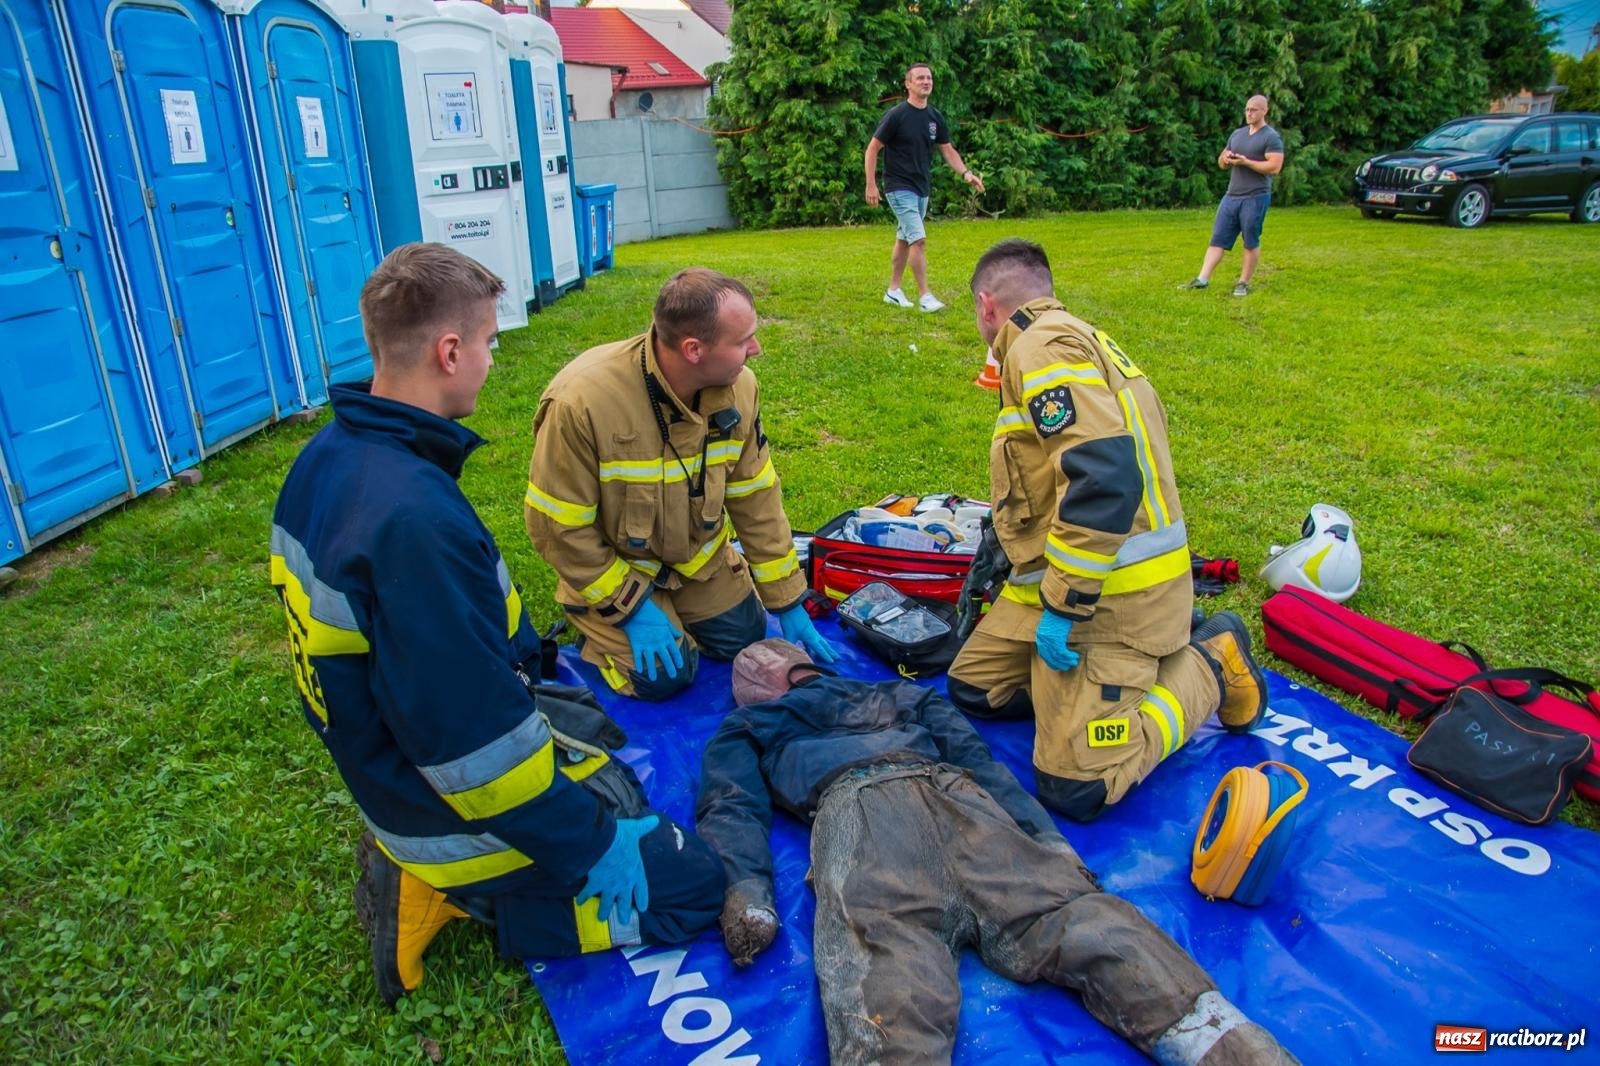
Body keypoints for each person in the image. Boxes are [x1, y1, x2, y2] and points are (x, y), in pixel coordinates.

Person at [269, 243, 723, 1006]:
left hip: (389, 757)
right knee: (691, 883)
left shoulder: (333, 454)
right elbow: (473, 753)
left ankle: (444, 860)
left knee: (611, 768)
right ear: (449, 352)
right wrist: (593, 844)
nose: (491, 359)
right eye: (488, 342)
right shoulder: (412, 520)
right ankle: (447, 891)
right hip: (430, 800)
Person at [697, 639, 1298, 1066]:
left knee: (888, 977)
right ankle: (1233, 1049)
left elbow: (732, 808)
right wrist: (1045, 841)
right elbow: (980, 764)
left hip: (866, 827)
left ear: (754, 696)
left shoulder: (752, 725)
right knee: (1083, 924)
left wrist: (748, 896)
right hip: (964, 806)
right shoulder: (899, 696)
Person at [946, 238, 1270, 821]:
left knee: (1076, 786)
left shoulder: (1038, 348)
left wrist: (1064, 607)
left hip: (1112, 597)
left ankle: (1211, 662)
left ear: (986, 305)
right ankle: (1117, 674)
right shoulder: (1071, 336)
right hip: (1071, 579)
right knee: (976, 689)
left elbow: (1103, 478)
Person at [524, 267, 836, 702]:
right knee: (664, 677)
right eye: (743, 341)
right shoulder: (582, 401)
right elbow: (557, 527)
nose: (756, 349)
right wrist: (630, 608)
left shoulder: (741, 389)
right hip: (619, 568)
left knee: (745, 637)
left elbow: (756, 497)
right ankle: (598, 624)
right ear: (693, 349)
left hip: (696, 561)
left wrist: (786, 599)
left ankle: (677, 612)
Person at [864, 62, 985, 313]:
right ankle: (925, 297)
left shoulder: (934, 117)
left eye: (929, 78)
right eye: (920, 78)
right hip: (898, 186)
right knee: (918, 240)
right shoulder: (897, 115)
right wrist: (871, 184)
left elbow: (947, 150)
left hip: (922, 188)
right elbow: (872, 149)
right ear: (908, 84)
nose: (926, 82)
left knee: (904, 239)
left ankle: (893, 291)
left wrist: (966, 173)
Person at [1179, 95, 1285, 297]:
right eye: (1247, 109)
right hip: (1232, 196)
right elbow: (1221, 161)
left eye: (1253, 110)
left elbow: (1275, 166)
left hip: (1255, 196)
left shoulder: (1271, 137)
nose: (1249, 113)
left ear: (1264, 111)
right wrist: (1226, 159)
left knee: (1250, 240)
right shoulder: (1237, 134)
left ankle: (1243, 283)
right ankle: (1202, 279)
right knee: (1217, 239)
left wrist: (1247, 162)